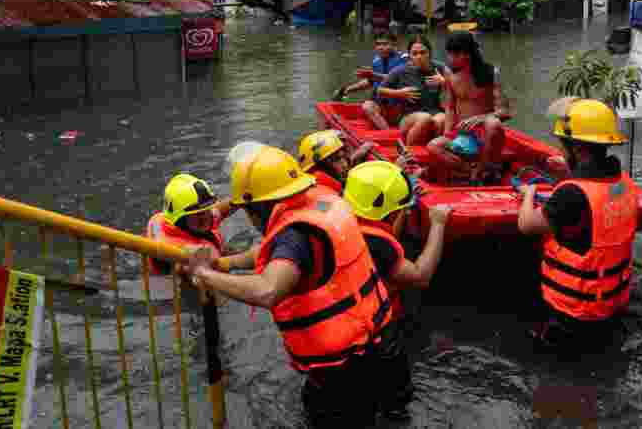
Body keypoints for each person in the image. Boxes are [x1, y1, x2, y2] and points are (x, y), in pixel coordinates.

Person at [179, 143, 394, 428]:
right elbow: (272, 254)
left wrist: (205, 275)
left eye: (247, 210)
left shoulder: (294, 235)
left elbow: (267, 290)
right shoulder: (319, 201)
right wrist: (225, 264)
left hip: (341, 368)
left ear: (259, 206)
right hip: (375, 340)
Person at [516, 98, 642, 349]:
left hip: (572, 313)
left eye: (565, 146)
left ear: (578, 149)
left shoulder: (571, 194)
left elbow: (527, 225)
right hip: (611, 304)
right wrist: (569, 175)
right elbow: (593, 200)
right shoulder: (623, 183)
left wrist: (528, 193)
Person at [341, 160, 452, 415]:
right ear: (390, 211)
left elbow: (385, 229)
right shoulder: (378, 243)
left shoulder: (338, 221)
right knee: (395, 406)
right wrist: (438, 224)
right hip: (377, 337)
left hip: (342, 335)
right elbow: (421, 276)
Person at [428, 31, 513, 183]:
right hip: (464, 137)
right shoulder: (450, 76)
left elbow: (505, 112)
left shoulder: (490, 73)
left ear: (466, 54)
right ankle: (472, 172)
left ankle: (483, 169)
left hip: (487, 136)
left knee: (493, 123)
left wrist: (480, 118)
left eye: (453, 55)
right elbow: (450, 107)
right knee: (433, 146)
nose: (449, 59)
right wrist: (447, 134)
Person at [146, 173, 233, 275]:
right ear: (180, 220)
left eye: (206, 210)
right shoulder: (172, 250)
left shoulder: (191, 222)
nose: (205, 217)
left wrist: (240, 199)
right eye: (197, 214)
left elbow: (219, 210)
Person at [376, 36, 449, 146]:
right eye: (414, 54)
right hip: (408, 115)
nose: (419, 57)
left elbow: (459, 89)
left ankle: (432, 149)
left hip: (434, 110)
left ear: (430, 53)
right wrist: (400, 93)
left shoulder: (440, 68)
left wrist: (444, 82)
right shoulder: (400, 70)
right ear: (409, 55)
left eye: (423, 53)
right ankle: (410, 151)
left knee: (442, 119)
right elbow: (380, 90)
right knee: (425, 118)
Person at [335, 33, 407, 129]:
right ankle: (387, 132)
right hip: (383, 104)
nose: (381, 48)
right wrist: (347, 89)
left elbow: (398, 79)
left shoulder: (404, 59)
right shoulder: (376, 61)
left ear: (394, 45)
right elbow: (371, 82)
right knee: (367, 106)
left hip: (400, 105)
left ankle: (394, 131)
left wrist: (373, 75)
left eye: (385, 44)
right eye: (378, 44)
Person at [296, 129, 375, 194]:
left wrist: (354, 158)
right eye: (337, 160)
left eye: (344, 157)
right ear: (320, 168)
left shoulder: (325, 181)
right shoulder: (327, 194)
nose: (344, 164)